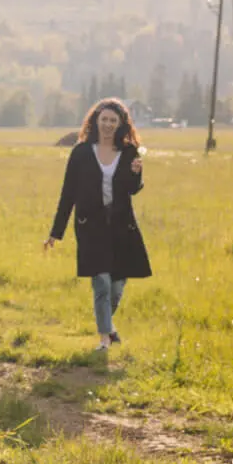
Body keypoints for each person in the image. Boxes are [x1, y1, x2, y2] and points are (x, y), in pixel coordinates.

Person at [43, 98, 152, 350]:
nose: (108, 124)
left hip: (122, 227)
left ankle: (109, 327)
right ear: (96, 121)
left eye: (113, 120)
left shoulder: (129, 152)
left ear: (120, 124)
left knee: (117, 285)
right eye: (104, 119)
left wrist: (136, 174)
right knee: (101, 282)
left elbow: (132, 190)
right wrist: (55, 233)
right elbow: (68, 193)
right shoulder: (81, 152)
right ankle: (104, 339)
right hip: (90, 226)